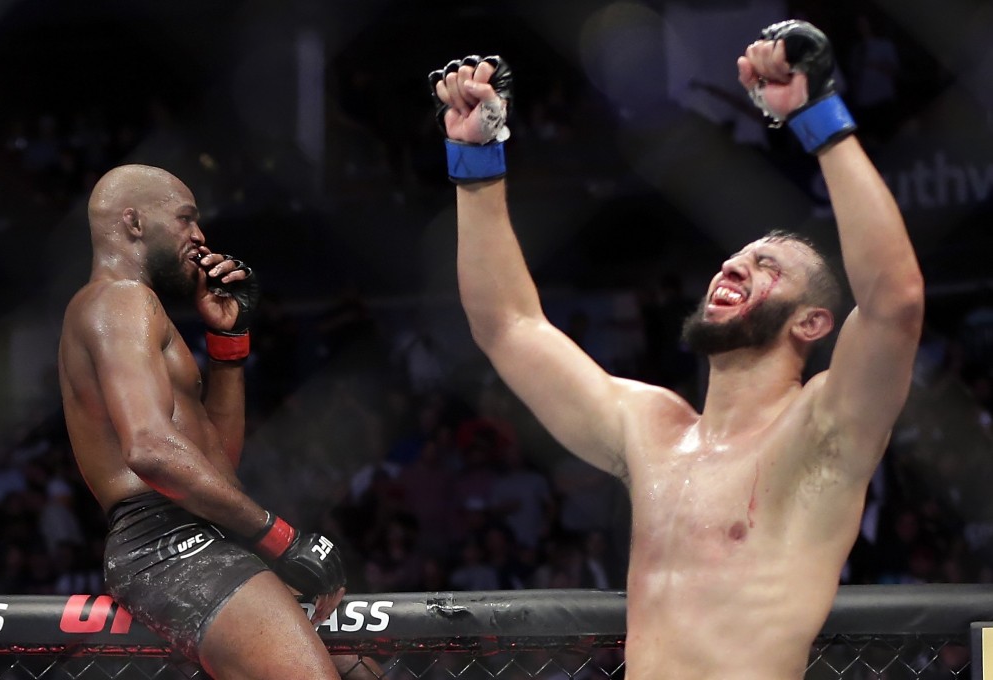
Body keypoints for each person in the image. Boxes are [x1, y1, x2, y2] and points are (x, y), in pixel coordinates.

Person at [430, 19, 924, 680]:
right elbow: (508, 325)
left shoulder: (821, 431)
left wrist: (819, 118)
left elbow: (895, 303)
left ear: (812, 324)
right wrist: (476, 162)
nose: (735, 268)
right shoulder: (652, 429)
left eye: (769, 266)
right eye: (735, 258)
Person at [58, 164, 347, 679]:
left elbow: (216, 464)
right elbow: (149, 450)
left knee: (357, 666)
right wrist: (280, 537)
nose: (200, 236)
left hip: (205, 528)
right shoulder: (120, 299)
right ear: (134, 222)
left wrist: (227, 345)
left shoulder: (141, 313)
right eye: (186, 219)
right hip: (167, 539)